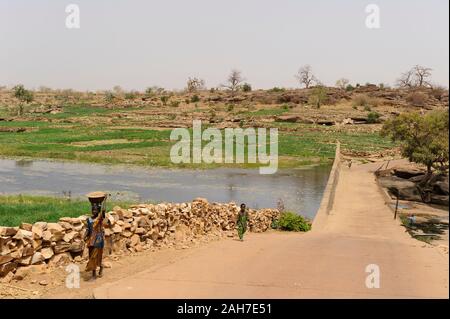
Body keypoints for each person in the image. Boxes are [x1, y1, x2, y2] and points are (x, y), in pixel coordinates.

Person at [84, 193, 107, 279]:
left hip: (98, 239)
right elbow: (88, 229)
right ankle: (93, 272)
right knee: (91, 256)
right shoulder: (89, 219)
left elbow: (103, 211)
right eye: (92, 210)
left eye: (95, 210)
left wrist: (104, 201)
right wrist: (84, 236)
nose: (94, 211)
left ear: (98, 211)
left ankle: (100, 266)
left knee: (97, 256)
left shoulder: (99, 218)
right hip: (91, 240)